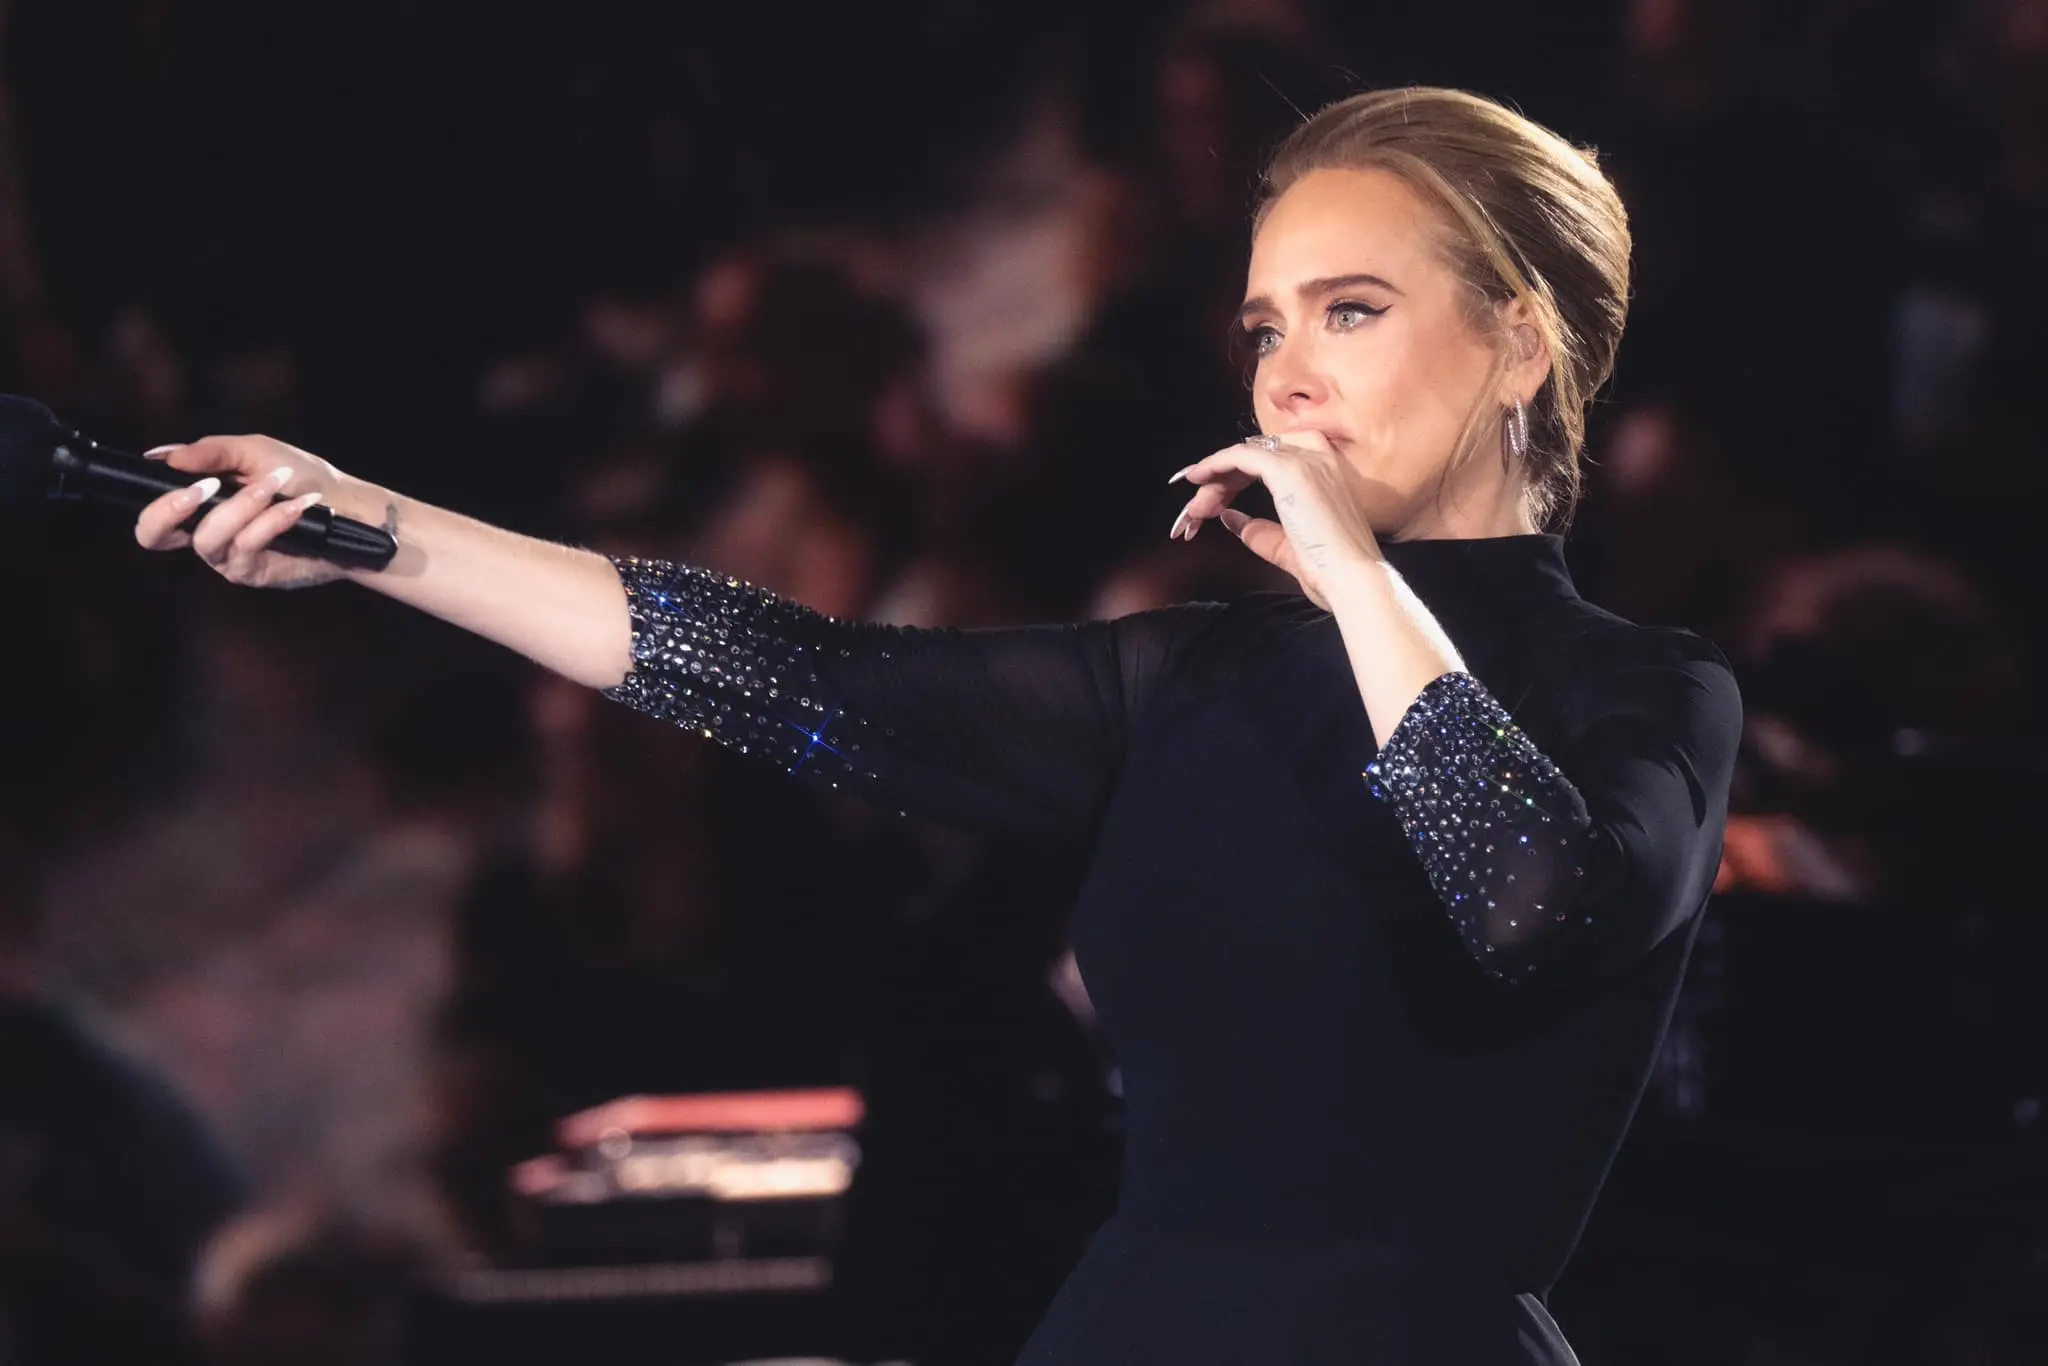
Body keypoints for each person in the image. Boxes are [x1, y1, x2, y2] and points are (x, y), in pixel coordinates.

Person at [133, 86, 1742, 1365]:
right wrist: (374, 528)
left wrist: (1353, 576)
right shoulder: (1186, 682)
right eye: (1267, 327)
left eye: (1353, 311)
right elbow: (786, 674)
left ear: (1520, 340)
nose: (1286, 379)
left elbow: (1531, 904)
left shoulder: (1649, 693)